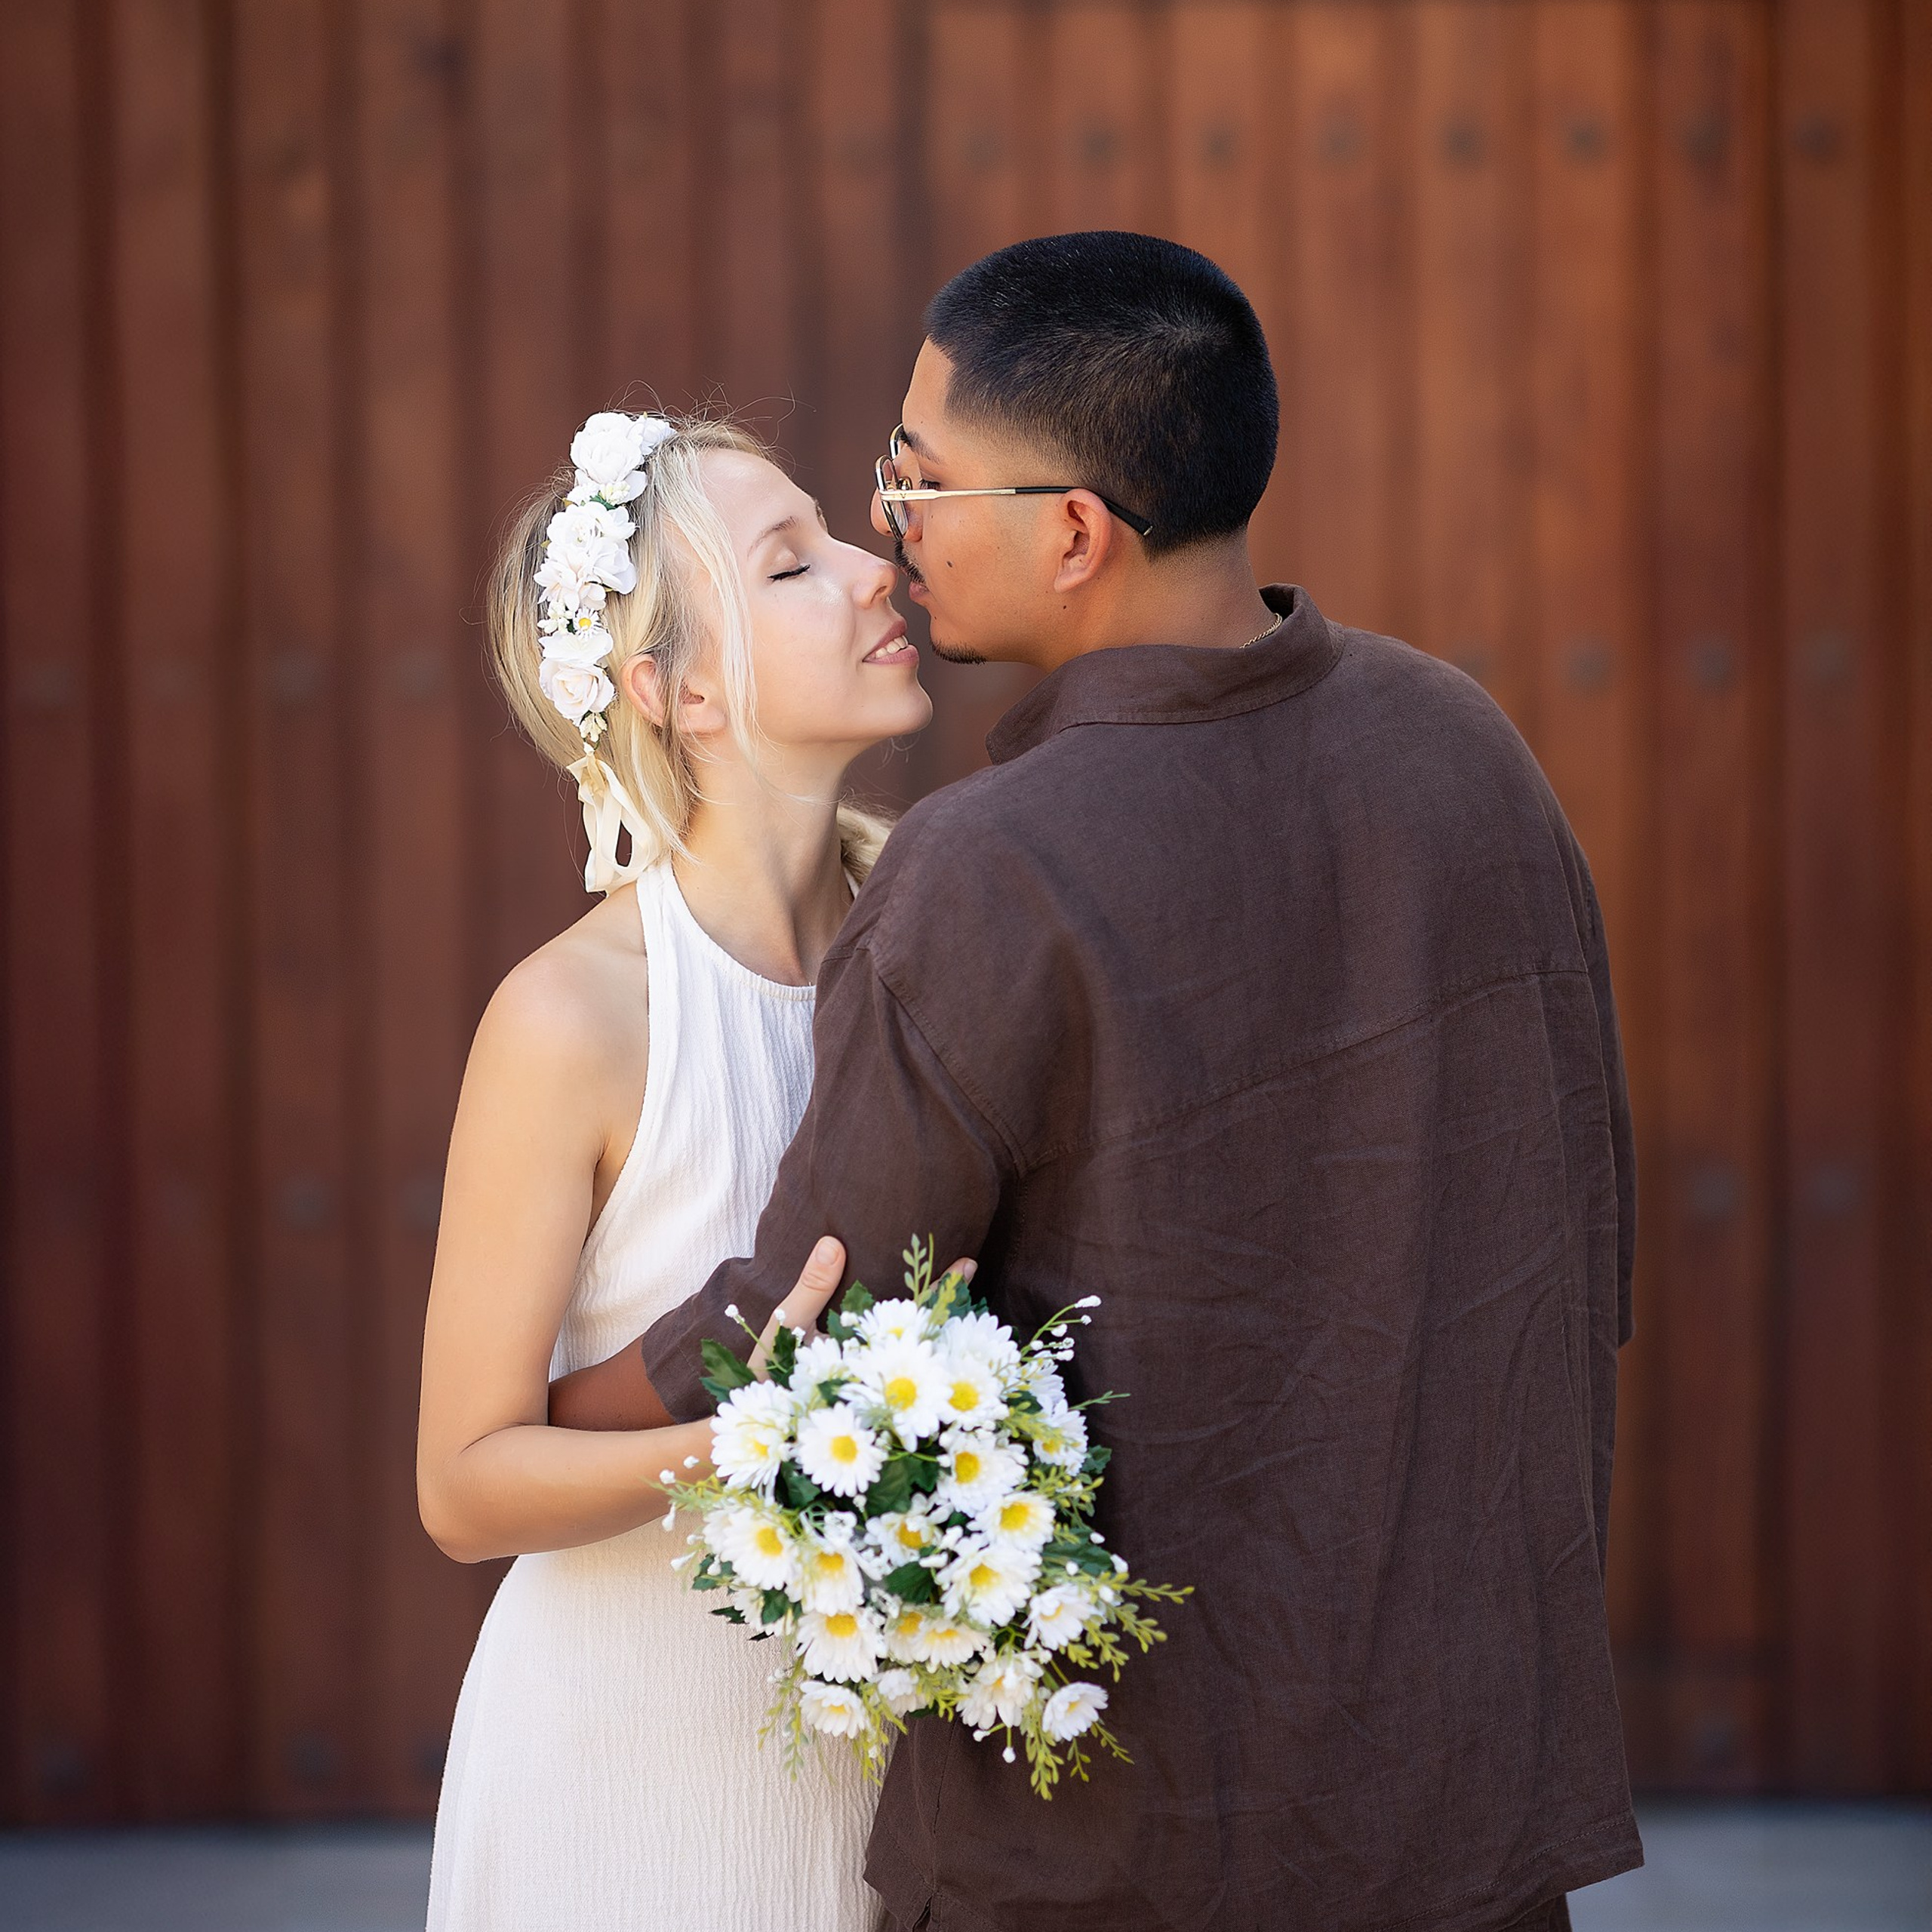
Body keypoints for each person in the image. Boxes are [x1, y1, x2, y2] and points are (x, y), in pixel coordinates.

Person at [554, 231, 1642, 1930]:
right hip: (1459, 1814)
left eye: (914, 479)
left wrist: (548, 1418)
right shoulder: (1464, 744)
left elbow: (807, 1313)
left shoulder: (989, 862)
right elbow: (1586, 1217)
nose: (887, 527)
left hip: (1119, 1846)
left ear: (1070, 530)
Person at [416, 411, 935, 1931]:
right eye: (792, 564)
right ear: (676, 689)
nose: (867, 568)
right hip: (623, 1775)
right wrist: (751, 1446)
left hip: (889, 1776)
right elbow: (463, 1481)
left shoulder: (936, 940)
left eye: (836, 536)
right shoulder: (570, 1017)